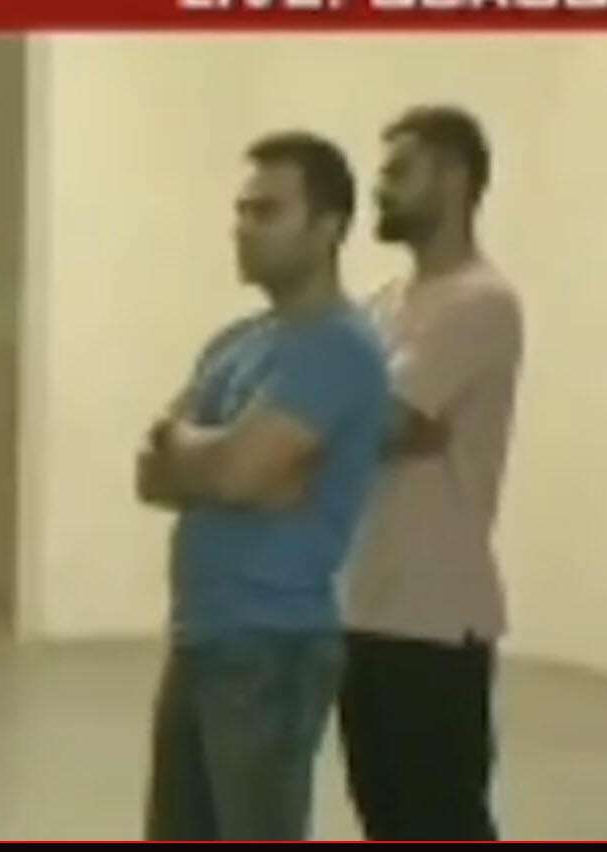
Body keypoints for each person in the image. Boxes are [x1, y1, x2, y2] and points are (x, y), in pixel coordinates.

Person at [137, 132, 390, 841]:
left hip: (270, 650)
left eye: (267, 211)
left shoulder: (339, 347)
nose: (244, 227)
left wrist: (210, 459)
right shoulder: (235, 342)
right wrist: (217, 460)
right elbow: (152, 472)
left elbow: (236, 471)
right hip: (200, 635)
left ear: (328, 227)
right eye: (242, 210)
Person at [338, 106, 523, 841]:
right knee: (385, 819)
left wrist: (363, 418)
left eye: (398, 171)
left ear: (453, 179)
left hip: (435, 619)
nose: (379, 188)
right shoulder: (384, 304)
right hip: (364, 608)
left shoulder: (481, 301)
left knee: (441, 820)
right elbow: (345, 414)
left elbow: (386, 424)